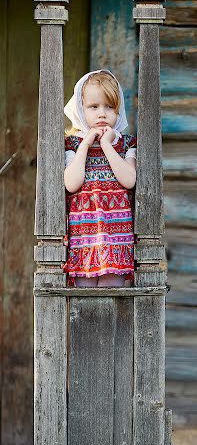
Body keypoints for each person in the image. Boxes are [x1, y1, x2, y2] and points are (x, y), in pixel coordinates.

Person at [63, 69, 137, 287]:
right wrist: (86, 144)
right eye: (93, 107)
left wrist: (106, 145)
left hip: (116, 234)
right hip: (84, 234)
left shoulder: (125, 144)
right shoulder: (74, 145)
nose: (102, 114)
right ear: (80, 108)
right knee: (84, 299)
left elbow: (129, 180)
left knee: (110, 293)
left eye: (109, 107)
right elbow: (71, 183)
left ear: (118, 110)